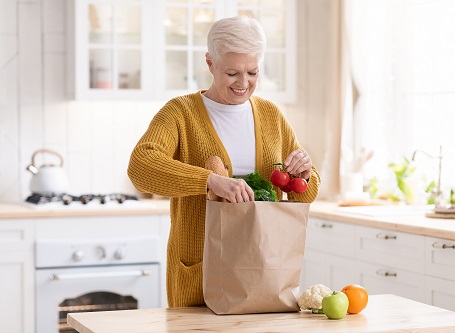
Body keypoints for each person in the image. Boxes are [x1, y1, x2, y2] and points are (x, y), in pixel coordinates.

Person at [128, 16, 320, 308]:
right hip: (199, 276)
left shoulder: (271, 115)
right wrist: (209, 180)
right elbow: (141, 166)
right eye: (232, 73)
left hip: (264, 273)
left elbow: (305, 193)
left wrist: (304, 175)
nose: (244, 83)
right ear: (210, 63)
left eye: (253, 72)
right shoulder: (180, 113)